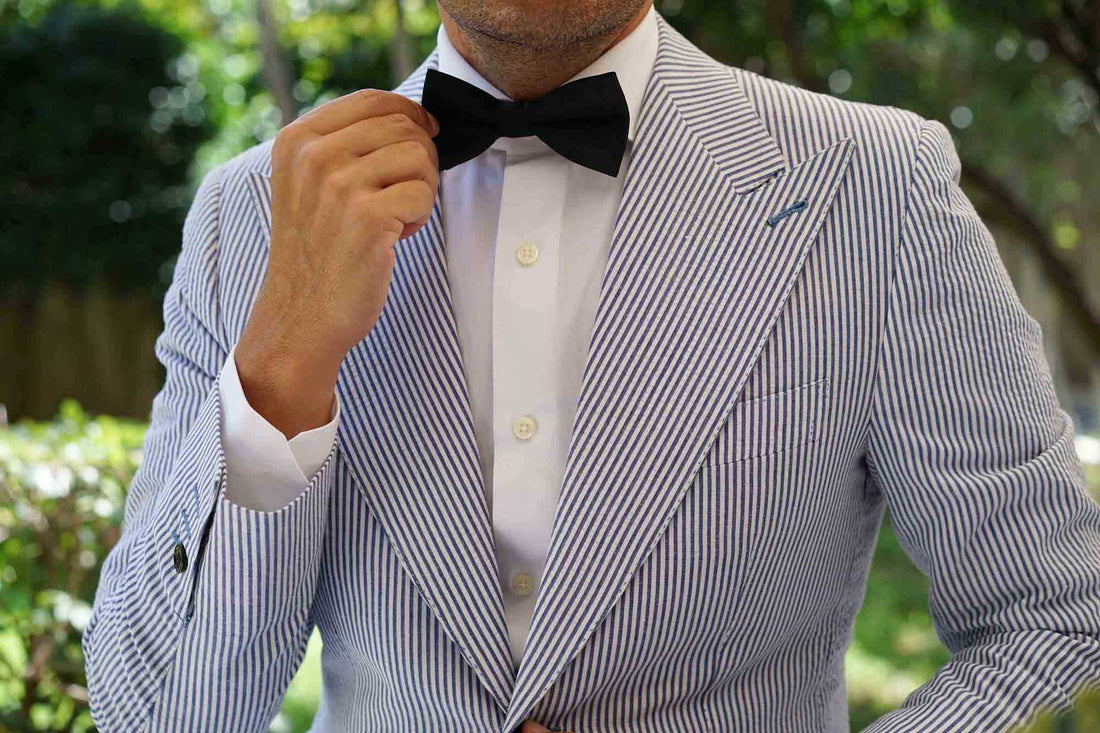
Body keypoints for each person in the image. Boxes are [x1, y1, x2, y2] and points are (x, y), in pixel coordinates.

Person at [82, 1, 1100, 731]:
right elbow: (158, 709)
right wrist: (281, 362)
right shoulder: (249, 214)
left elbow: (1055, 617)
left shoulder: (869, 187)